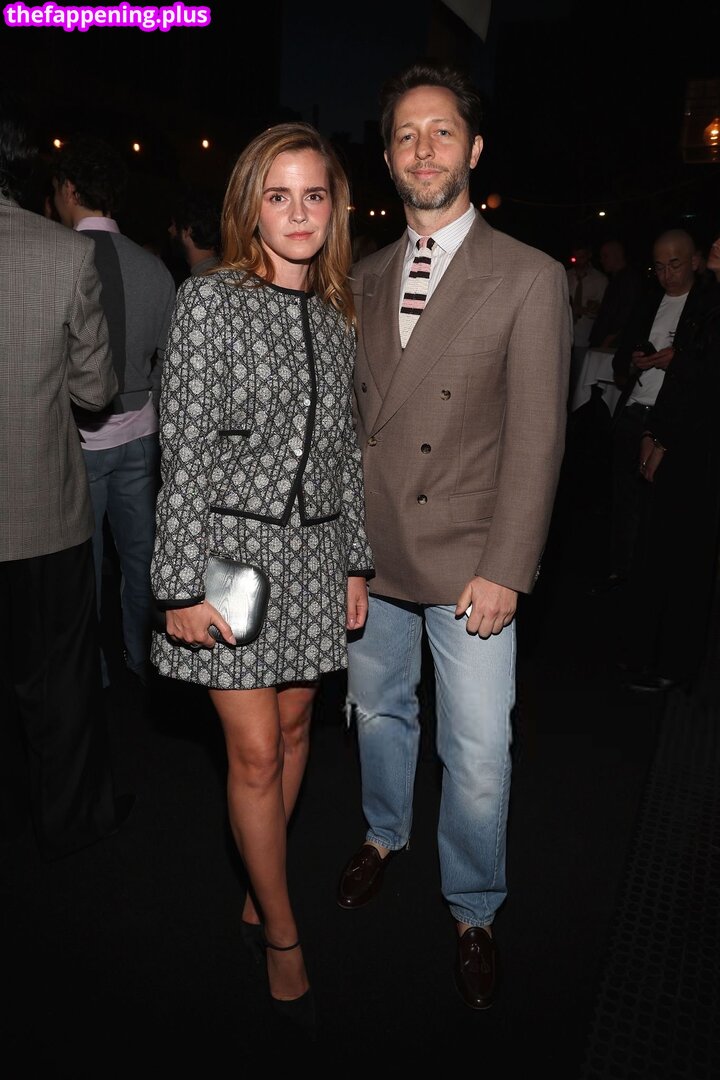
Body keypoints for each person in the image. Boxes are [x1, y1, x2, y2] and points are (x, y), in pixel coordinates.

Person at [335, 61, 571, 1011]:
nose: (423, 149)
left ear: (473, 148)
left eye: (441, 132)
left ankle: (474, 906)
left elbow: (539, 438)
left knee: (477, 754)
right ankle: (382, 833)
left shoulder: (529, 275)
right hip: (375, 555)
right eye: (405, 135)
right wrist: (344, 555)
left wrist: (508, 566)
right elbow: (349, 433)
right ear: (389, 158)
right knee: (377, 715)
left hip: (473, 560)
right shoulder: (362, 276)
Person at [150, 122, 374, 1032]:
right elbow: (183, 451)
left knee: (293, 729)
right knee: (252, 753)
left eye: (314, 195)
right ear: (250, 207)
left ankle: (259, 885)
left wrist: (354, 560)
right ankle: (283, 934)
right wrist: (177, 585)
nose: (298, 212)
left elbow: (345, 455)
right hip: (229, 564)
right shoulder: (209, 300)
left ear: (335, 207)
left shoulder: (337, 312)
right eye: (278, 196)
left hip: (316, 559)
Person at [0, 93, 133, 858]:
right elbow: (94, 390)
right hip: (41, 516)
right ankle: (69, 821)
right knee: (57, 682)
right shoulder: (62, 255)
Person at [51, 136, 177, 689]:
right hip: (141, 434)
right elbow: (171, 362)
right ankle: (141, 657)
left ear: (69, 189)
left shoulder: (57, 258)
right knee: (142, 559)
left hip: (76, 439)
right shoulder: (154, 267)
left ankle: (91, 672)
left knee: (83, 564)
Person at [618, 233, 720, 691]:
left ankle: (673, 665)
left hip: (698, 449)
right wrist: (652, 433)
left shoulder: (710, 307)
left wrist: (661, 437)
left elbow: (702, 387)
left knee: (686, 560)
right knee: (657, 550)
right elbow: (684, 380)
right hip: (677, 439)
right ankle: (650, 654)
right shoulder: (707, 306)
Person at [590, 229, 712, 596]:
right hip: (634, 411)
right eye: (659, 267)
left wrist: (678, 360)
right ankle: (620, 575)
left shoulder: (707, 307)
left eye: (675, 265)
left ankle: (654, 583)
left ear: (694, 261)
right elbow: (623, 360)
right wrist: (634, 361)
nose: (667, 275)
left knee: (662, 508)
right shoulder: (648, 301)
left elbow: (707, 370)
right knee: (624, 500)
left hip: (674, 422)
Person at [567, 240, 607, 398]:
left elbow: (603, 311)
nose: (578, 261)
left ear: (589, 256)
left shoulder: (600, 280)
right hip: (564, 334)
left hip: (585, 336)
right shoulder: (565, 275)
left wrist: (589, 309)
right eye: (575, 258)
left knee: (580, 379)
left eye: (582, 257)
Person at [588, 238, 644, 352]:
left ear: (617, 255)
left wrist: (606, 342)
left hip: (613, 346)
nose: (602, 260)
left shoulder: (627, 279)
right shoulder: (617, 279)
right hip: (607, 343)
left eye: (605, 256)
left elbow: (626, 314)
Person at [168, 190, 221, 278]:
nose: (170, 229)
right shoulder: (231, 274)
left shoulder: (198, 283)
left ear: (188, 231)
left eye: (173, 224)